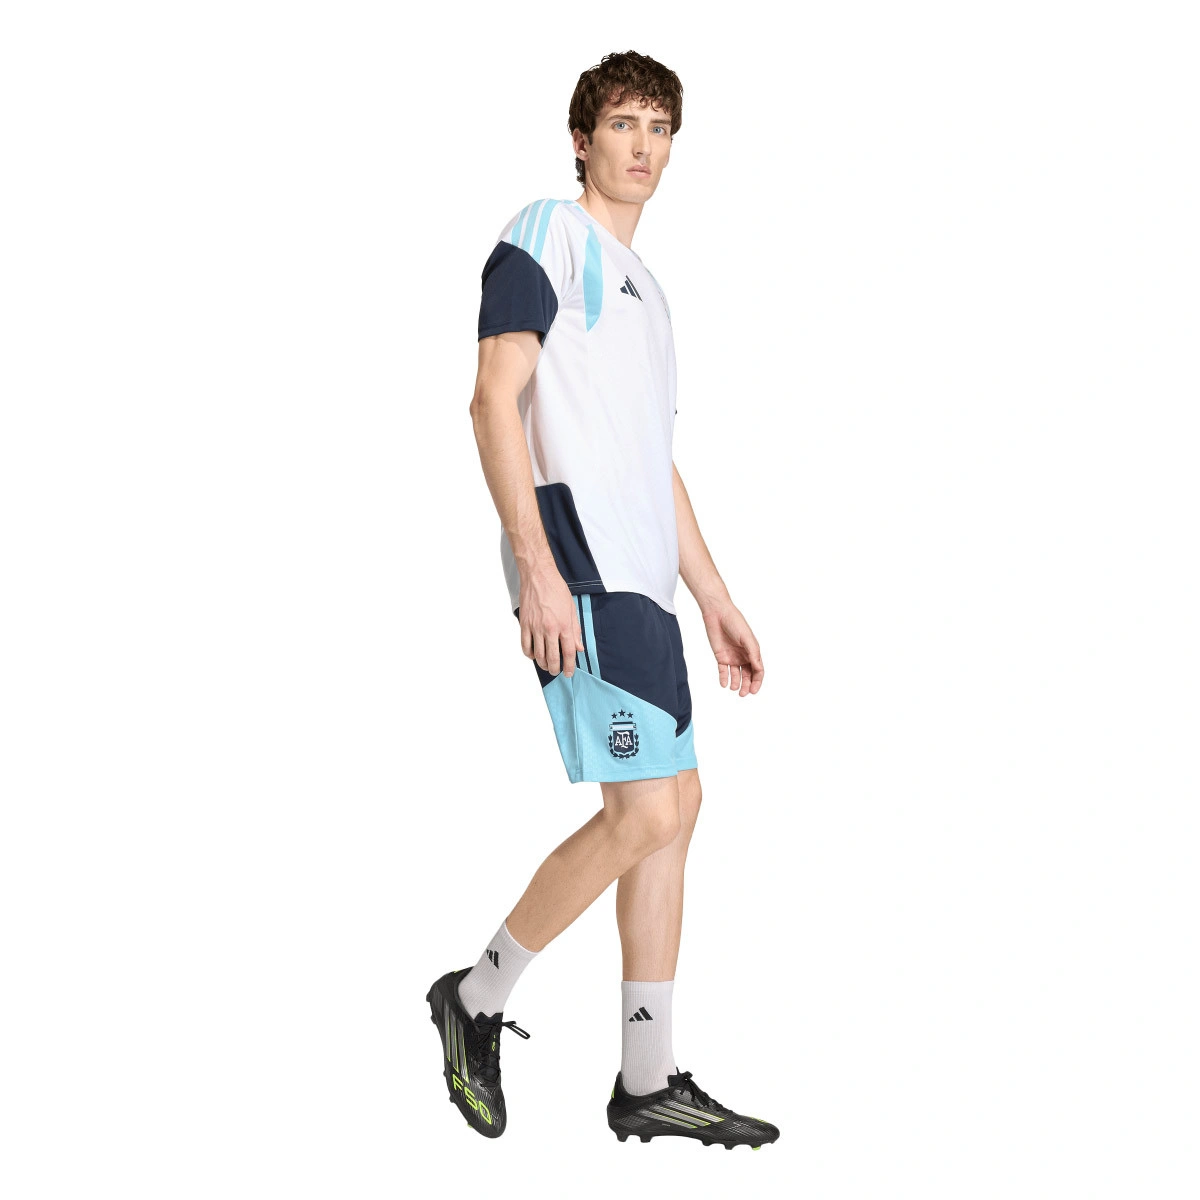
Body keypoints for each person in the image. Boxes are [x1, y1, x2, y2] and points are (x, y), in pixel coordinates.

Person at [426, 50, 778, 1151]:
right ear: (582, 140)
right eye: (624, 123)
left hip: (642, 583)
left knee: (679, 805)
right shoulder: (548, 234)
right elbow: (492, 399)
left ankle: (646, 1075)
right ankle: (475, 996)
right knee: (645, 813)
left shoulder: (649, 295)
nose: (643, 146)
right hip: (576, 567)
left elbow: (651, 463)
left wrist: (713, 597)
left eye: (660, 128)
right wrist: (535, 568)